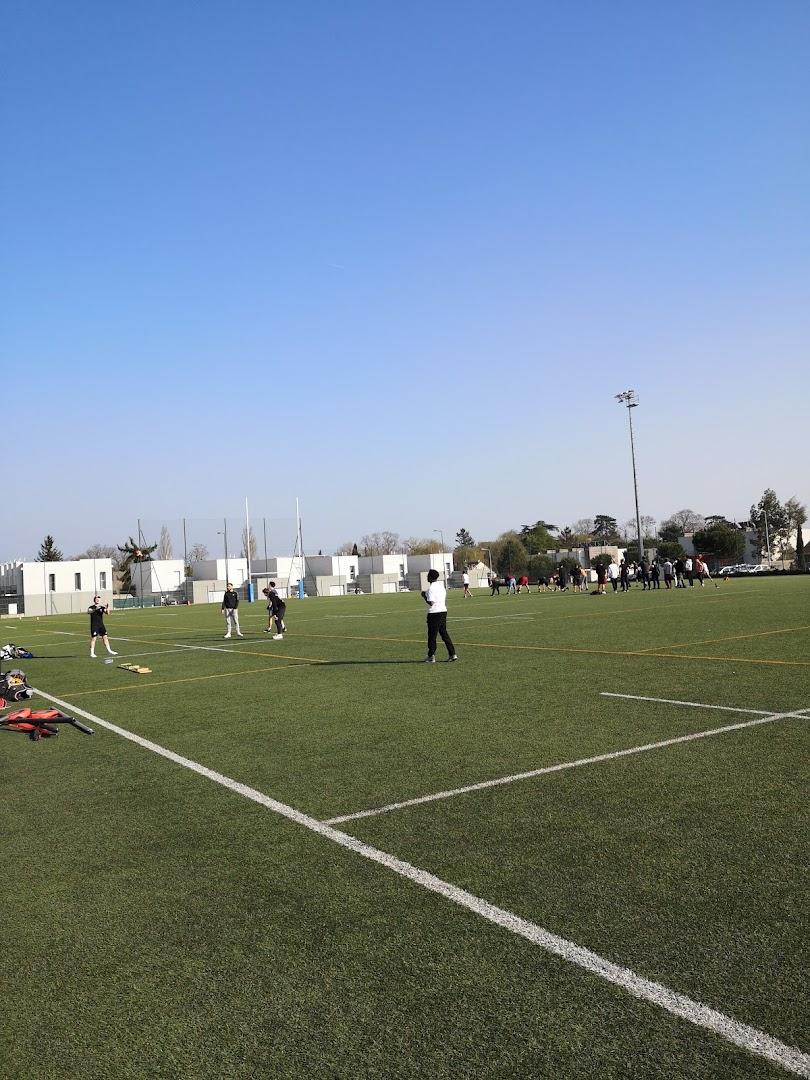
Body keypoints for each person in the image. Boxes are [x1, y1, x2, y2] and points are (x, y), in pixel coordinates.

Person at [421, 569, 457, 663]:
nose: (427, 577)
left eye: (428, 575)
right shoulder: (441, 587)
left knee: (432, 636)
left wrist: (424, 596)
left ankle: (431, 656)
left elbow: (431, 603)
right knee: (444, 634)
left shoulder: (431, 588)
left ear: (430, 577)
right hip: (443, 611)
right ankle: (452, 654)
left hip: (434, 613)